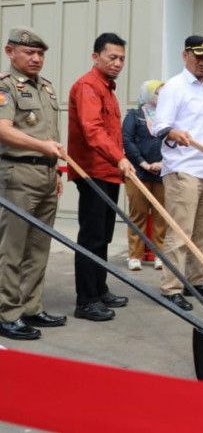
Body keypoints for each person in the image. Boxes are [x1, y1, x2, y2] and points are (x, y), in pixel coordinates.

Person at [0, 26, 66, 340]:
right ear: (10, 52)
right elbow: (4, 130)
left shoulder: (47, 89)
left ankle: (31, 306)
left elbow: (49, 135)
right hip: (19, 175)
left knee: (39, 247)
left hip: (46, 174)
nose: (36, 58)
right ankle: (7, 313)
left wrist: (56, 172)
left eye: (40, 53)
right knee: (12, 248)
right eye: (30, 52)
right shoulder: (6, 87)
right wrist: (43, 149)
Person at [153, 35, 203, 311]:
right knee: (180, 232)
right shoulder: (174, 87)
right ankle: (171, 287)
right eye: (198, 57)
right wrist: (174, 132)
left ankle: (196, 280)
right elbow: (160, 125)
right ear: (185, 56)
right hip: (183, 168)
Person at [68, 32, 133, 322]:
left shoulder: (107, 88)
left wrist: (120, 162)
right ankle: (86, 300)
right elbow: (93, 130)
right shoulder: (88, 87)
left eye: (121, 58)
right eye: (112, 57)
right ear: (96, 57)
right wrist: (119, 158)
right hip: (93, 172)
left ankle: (100, 288)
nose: (118, 63)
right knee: (91, 238)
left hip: (109, 173)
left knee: (103, 237)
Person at [122, 80, 166, 271]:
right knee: (138, 214)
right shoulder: (135, 115)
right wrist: (143, 163)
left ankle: (160, 255)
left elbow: (172, 143)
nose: (162, 98)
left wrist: (163, 163)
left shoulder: (168, 117)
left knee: (161, 216)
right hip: (138, 172)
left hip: (163, 173)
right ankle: (134, 256)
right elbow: (127, 140)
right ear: (148, 95)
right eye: (158, 94)